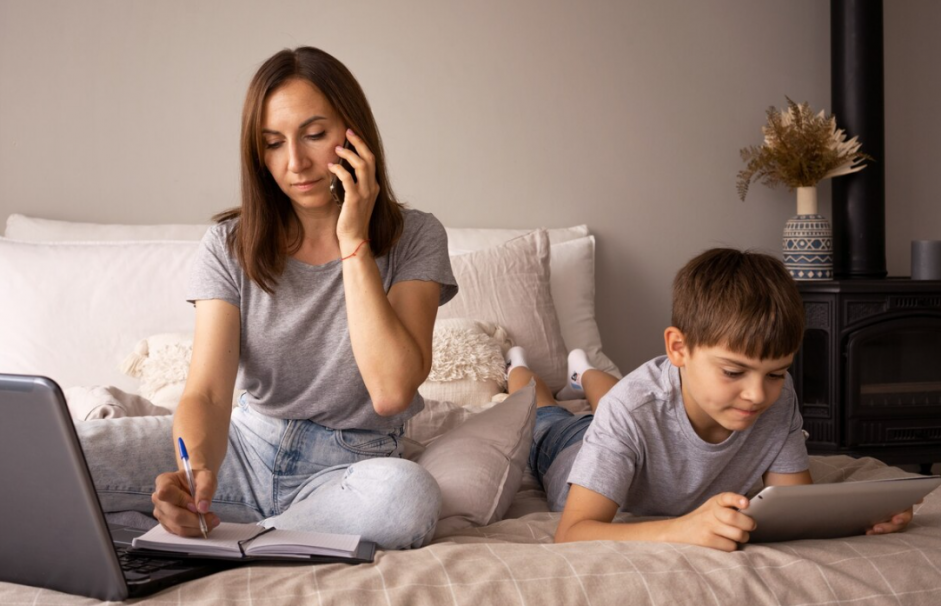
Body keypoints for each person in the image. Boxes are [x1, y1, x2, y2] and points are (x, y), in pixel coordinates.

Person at [77, 46, 457, 550]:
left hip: (350, 471)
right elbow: (208, 394)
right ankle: (265, 537)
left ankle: (243, 538)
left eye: (315, 135)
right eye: (273, 143)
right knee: (56, 453)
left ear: (355, 134)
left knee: (406, 499)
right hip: (243, 449)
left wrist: (354, 244)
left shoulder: (417, 237)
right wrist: (197, 475)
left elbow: (390, 391)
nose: (295, 162)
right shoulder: (229, 244)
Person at [505, 248, 915, 552]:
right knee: (545, 412)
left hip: (629, 417)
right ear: (678, 348)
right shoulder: (631, 409)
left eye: (775, 372)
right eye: (734, 372)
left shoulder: (777, 397)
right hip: (569, 449)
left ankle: (582, 370)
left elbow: (795, 507)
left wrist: (861, 517)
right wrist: (680, 529)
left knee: (616, 399)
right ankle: (518, 366)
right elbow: (572, 533)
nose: (757, 394)